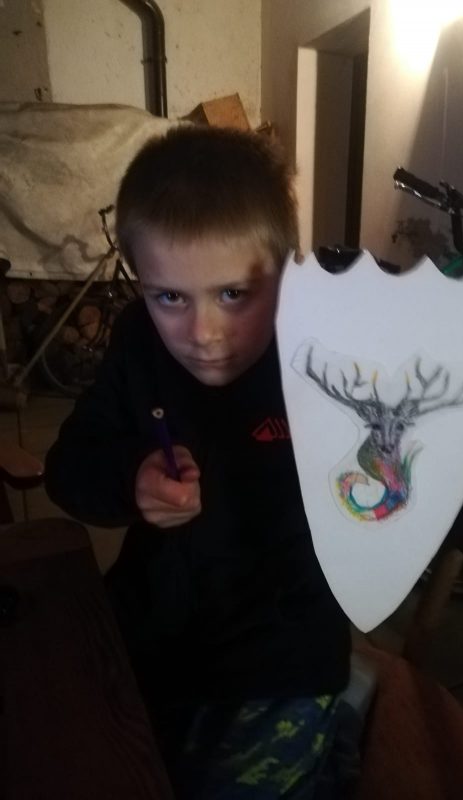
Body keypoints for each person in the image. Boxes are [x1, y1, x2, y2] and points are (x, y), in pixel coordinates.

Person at [44, 125, 352, 799]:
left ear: (286, 274)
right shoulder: (136, 342)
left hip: (281, 666)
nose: (204, 334)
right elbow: (68, 465)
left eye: (234, 294)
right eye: (170, 297)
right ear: (140, 283)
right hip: (149, 638)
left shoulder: (328, 360)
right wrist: (131, 479)